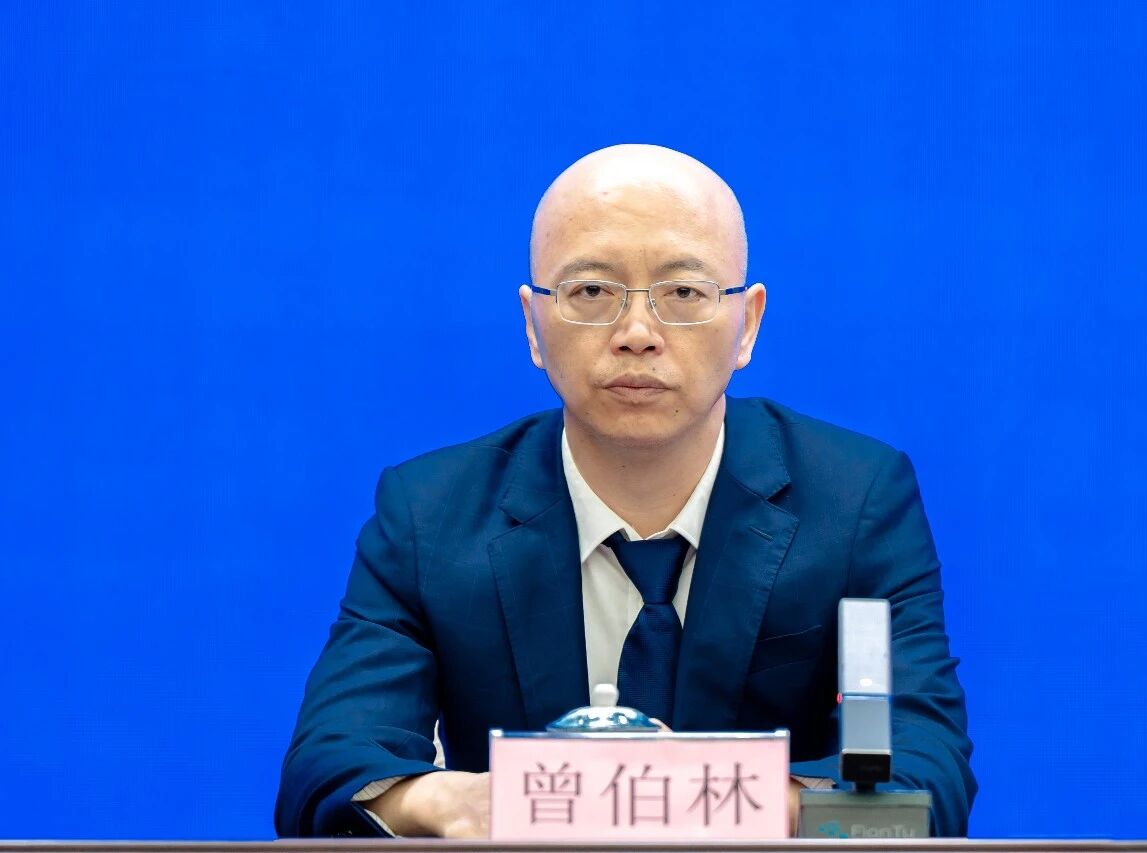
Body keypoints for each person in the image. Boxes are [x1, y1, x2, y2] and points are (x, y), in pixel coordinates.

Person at [274, 144, 977, 839]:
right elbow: (327, 771)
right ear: (532, 324)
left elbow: (923, 781)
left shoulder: (854, 501)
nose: (637, 333)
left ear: (748, 324)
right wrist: (462, 803)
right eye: (591, 292)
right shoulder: (430, 513)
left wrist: (680, 797)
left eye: (684, 293)